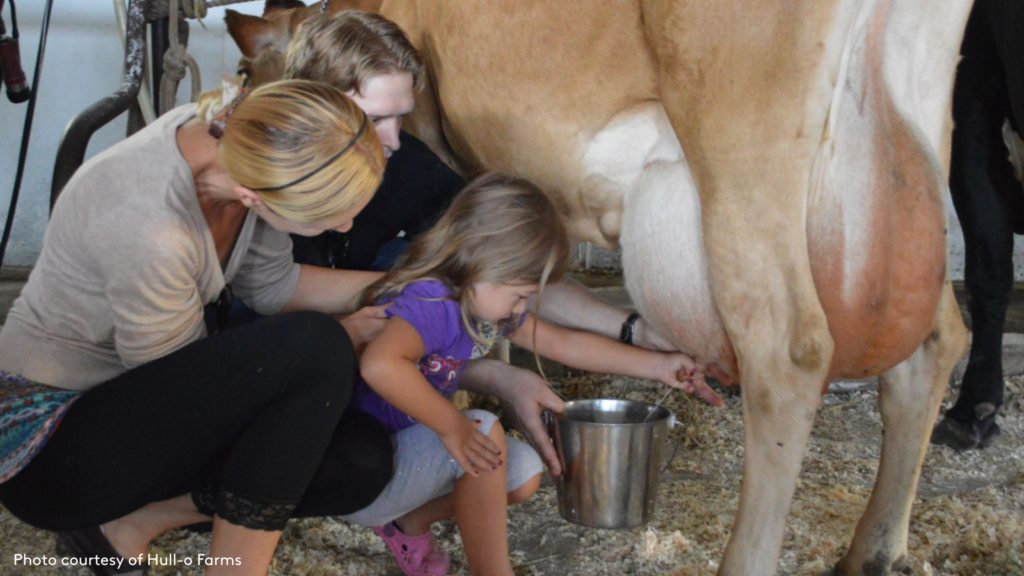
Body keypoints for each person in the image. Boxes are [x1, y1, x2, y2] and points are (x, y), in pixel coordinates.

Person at [272, 10, 727, 477]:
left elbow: (504, 272)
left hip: (381, 374)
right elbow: (279, 295)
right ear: (313, 105)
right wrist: (425, 288)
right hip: (285, 374)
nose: (391, 139)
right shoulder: (268, 175)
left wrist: (637, 333)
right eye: (374, 119)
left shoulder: (408, 166)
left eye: (401, 116)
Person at [0, 80, 396, 576]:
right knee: (316, 348)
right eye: (331, 218)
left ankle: (128, 527)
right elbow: (180, 383)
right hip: (50, 448)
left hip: (132, 410)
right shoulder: (149, 227)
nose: (343, 228)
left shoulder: (248, 145)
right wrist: (337, 342)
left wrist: (413, 286)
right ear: (253, 197)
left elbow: (274, 284)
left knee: (360, 461)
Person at [340, 173, 708, 576]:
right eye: (519, 295)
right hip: (365, 476)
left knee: (522, 475)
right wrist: (453, 427)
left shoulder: (480, 309)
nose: (521, 310)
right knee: (481, 432)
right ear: (484, 262)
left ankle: (408, 523)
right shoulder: (432, 302)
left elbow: (564, 344)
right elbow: (379, 364)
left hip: (408, 464)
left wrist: (659, 366)